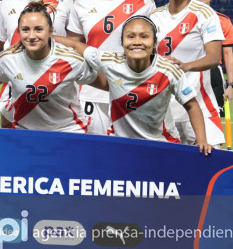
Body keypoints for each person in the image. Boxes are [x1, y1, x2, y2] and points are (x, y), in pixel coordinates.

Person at [53, 16, 211, 154]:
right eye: (130, 37)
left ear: (155, 42)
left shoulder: (168, 70)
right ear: (122, 42)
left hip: (160, 143)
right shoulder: (110, 62)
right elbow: (76, 46)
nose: (137, 42)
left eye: (144, 37)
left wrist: (201, 140)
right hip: (120, 145)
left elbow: (191, 104)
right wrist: (44, 38)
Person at [67, 0, 157, 135]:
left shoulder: (143, 0)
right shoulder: (82, 1)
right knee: (93, 155)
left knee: (129, 154)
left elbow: (153, 49)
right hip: (91, 90)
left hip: (129, 89)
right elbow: (73, 47)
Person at [0, 1, 106, 133]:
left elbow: (105, 84)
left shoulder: (71, 60)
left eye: (39, 29)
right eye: (25, 29)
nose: (31, 36)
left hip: (68, 131)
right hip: (25, 132)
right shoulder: (8, 59)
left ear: (51, 31)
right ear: (19, 31)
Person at [0, 0, 74, 127]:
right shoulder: (7, 3)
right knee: (10, 138)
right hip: (15, 81)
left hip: (54, 81)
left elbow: (76, 40)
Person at [150, 0, 225, 147]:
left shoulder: (205, 14)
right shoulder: (153, 17)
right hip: (165, 109)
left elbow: (215, 57)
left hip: (199, 104)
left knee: (209, 165)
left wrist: (186, 66)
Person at [192, 0, 233, 109]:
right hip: (186, 73)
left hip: (212, 75)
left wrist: (230, 85)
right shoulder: (177, 19)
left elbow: (228, 55)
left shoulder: (223, 21)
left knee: (213, 121)